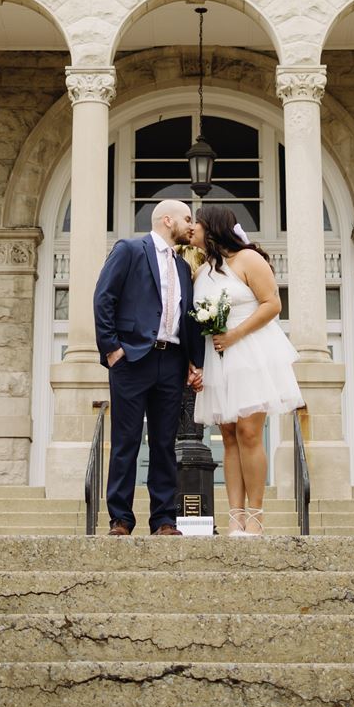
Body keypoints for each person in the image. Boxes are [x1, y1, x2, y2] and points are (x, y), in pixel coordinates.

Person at [92, 196, 206, 536]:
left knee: (164, 444)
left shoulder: (184, 267)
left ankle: (164, 520)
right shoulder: (129, 250)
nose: (192, 224)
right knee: (126, 440)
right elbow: (104, 298)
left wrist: (192, 361)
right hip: (132, 359)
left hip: (170, 362)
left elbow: (187, 318)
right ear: (167, 220)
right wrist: (112, 350)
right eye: (187, 218)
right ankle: (121, 519)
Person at [190, 202, 302, 537]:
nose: (192, 228)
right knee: (226, 436)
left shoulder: (249, 259)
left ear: (213, 227)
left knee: (249, 433)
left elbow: (272, 304)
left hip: (250, 351)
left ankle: (256, 515)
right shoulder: (202, 270)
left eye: (197, 223)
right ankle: (234, 515)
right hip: (218, 358)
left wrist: (236, 334)